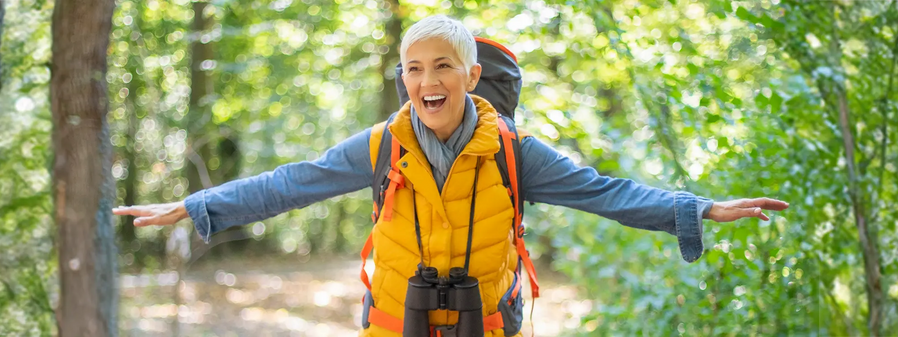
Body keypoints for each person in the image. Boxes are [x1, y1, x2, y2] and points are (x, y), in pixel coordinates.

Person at [113, 14, 789, 337]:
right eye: (414, 69)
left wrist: (699, 209)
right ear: (403, 78)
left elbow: (605, 192)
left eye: (442, 67)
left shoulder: (516, 153)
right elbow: (291, 182)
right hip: (393, 325)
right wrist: (197, 205)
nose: (427, 80)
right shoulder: (381, 146)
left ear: (470, 76)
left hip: (488, 327)